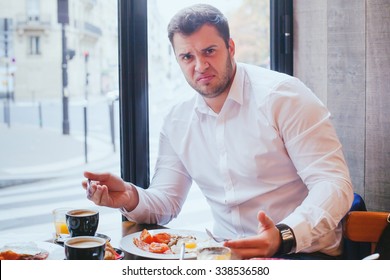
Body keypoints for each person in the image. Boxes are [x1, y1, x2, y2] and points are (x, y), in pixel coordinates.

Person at [82, 4, 354, 259]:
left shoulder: (284, 96)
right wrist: (129, 196)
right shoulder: (178, 120)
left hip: (301, 252)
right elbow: (166, 203)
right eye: (187, 56)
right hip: (225, 257)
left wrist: (284, 234)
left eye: (209, 51)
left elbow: (333, 184)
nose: (200, 66)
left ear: (231, 47)